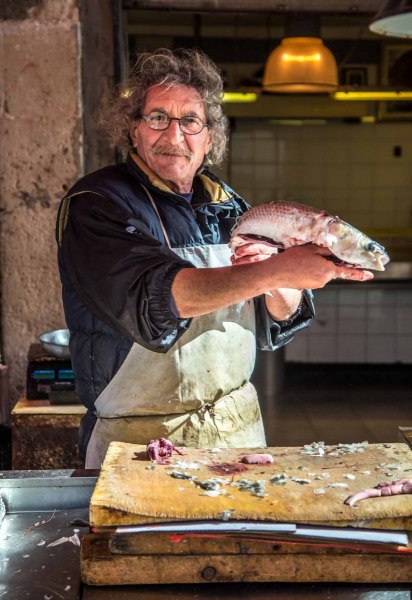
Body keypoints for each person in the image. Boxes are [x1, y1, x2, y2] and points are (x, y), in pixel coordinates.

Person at [56, 48, 372, 468]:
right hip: (138, 441)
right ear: (133, 130)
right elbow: (156, 297)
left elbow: (276, 316)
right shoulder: (97, 203)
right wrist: (273, 269)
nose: (173, 136)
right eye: (157, 118)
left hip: (237, 431)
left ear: (209, 137)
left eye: (190, 121)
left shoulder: (229, 206)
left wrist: (278, 281)